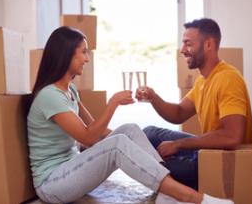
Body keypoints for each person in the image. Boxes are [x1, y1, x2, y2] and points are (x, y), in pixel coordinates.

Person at [27, 26, 234, 204]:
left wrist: (128, 140)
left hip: (72, 169)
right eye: (83, 52)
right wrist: (113, 104)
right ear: (67, 55)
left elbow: (99, 133)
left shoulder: (69, 90)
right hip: (53, 184)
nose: (87, 58)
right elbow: (88, 138)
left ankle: (166, 190)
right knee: (118, 143)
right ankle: (196, 199)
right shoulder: (49, 96)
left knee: (130, 129)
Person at [135, 18, 252, 190]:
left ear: (208, 45)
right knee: (148, 133)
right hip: (208, 150)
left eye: (188, 44)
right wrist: (153, 97)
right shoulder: (203, 80)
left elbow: (232, 137)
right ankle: (146, 160)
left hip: (223, 159)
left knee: (154, 166)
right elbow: (179, 113)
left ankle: (157, 164)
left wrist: (177, 145)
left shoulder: (228, 79)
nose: (182, 50)